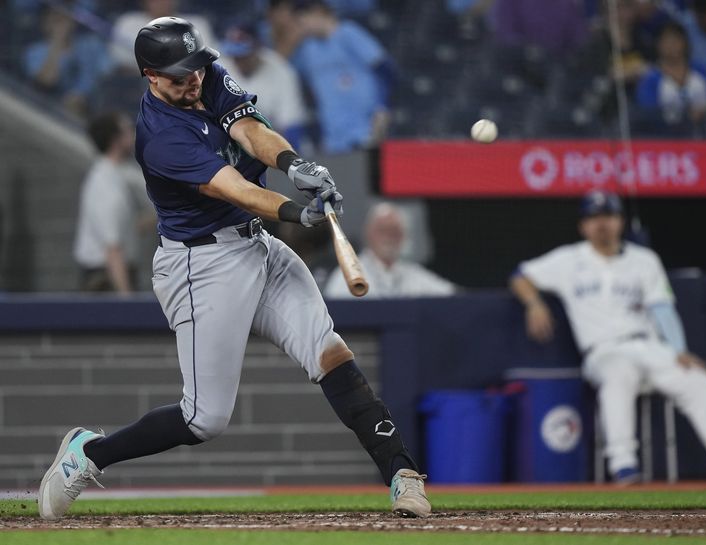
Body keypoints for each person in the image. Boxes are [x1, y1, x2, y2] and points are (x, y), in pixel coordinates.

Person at [38, 17, 430, 520]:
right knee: (204, 419)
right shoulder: (158, 137)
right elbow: (236, 189)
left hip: (255, 245)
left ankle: (401, 473)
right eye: (177, 75)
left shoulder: (209, 74)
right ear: (148, 75)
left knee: (329, 352)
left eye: (195, 68)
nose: (192, 79)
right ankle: (89, 454)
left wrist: (294, 165)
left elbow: (249, 130)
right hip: (202, 265)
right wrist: (296, 211)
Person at [509, 190, 706, 484]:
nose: (602, 224)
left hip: (649, 346)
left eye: (608, 216)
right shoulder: (569, 260)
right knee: (619, 374)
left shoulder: (644, 260)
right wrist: (534, 303)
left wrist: (678, 349)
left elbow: (663, 309)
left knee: (696, 378)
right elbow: (520, 274)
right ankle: (624, 466)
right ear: (583, 226)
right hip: (604, 350)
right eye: (593, 218)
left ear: (620, 221)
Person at [289, 0, 395, 154]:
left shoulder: (348, 33)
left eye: (302, 20)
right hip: (333, 136)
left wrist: (382, 107)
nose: (301, 28)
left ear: (317, 12)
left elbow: (385, 70)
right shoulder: (308, 50)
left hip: (366, 128)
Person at [73, 112, 148, 293]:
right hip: (106, 280)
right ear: (116, 140)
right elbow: (112, 249)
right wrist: (125, 297)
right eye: (128, 130)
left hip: (116, 271)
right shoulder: (104, 184)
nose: (133, 134)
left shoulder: (120, 174)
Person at [324, 203, 456, 299]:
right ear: (368, 234)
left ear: (403, 236)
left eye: (394, 231)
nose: (389, 237)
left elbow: (455, 297)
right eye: (383, 230)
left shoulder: (414, 275)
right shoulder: (348, 274)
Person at [220, 24, 307, 148]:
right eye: (235, 55)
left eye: (244, 54)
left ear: (258, 48)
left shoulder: (281, 70)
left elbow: (292, 127)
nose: (239, 60)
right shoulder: (217, 69)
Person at [23, 1, 112, 117]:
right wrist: (57, 41)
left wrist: (81, 96)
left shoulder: (89, 45)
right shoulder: (35, 51)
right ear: (45, 23)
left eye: (65, 19)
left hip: (88, 106)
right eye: (56, 20)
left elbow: (106, 73)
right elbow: (46, 81)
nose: (61, 25)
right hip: (48, 107)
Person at [636, 21, 706, 124]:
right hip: (665, 136)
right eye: (666, 41)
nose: (671, 45)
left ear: (685, 42)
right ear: (658, 44)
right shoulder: (650, 79)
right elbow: (648, 113)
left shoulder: (702, 70)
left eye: (675, 40)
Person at [110, 0, 218, 73]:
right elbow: (120, 59)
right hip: (140, 85)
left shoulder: (198, 23)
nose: (161, 2)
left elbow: (206, 59)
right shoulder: (128, 22)